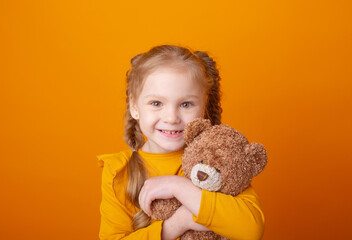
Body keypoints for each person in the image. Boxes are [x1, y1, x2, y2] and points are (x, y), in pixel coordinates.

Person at [97, 45, 265, 240]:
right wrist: (179, 223)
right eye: (156, 103)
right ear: (134, 106)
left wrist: (178, 187)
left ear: (204, 106)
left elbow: (251, 230)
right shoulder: (118, 172)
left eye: (186, 104)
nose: (171, 117)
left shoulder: (217, 158)